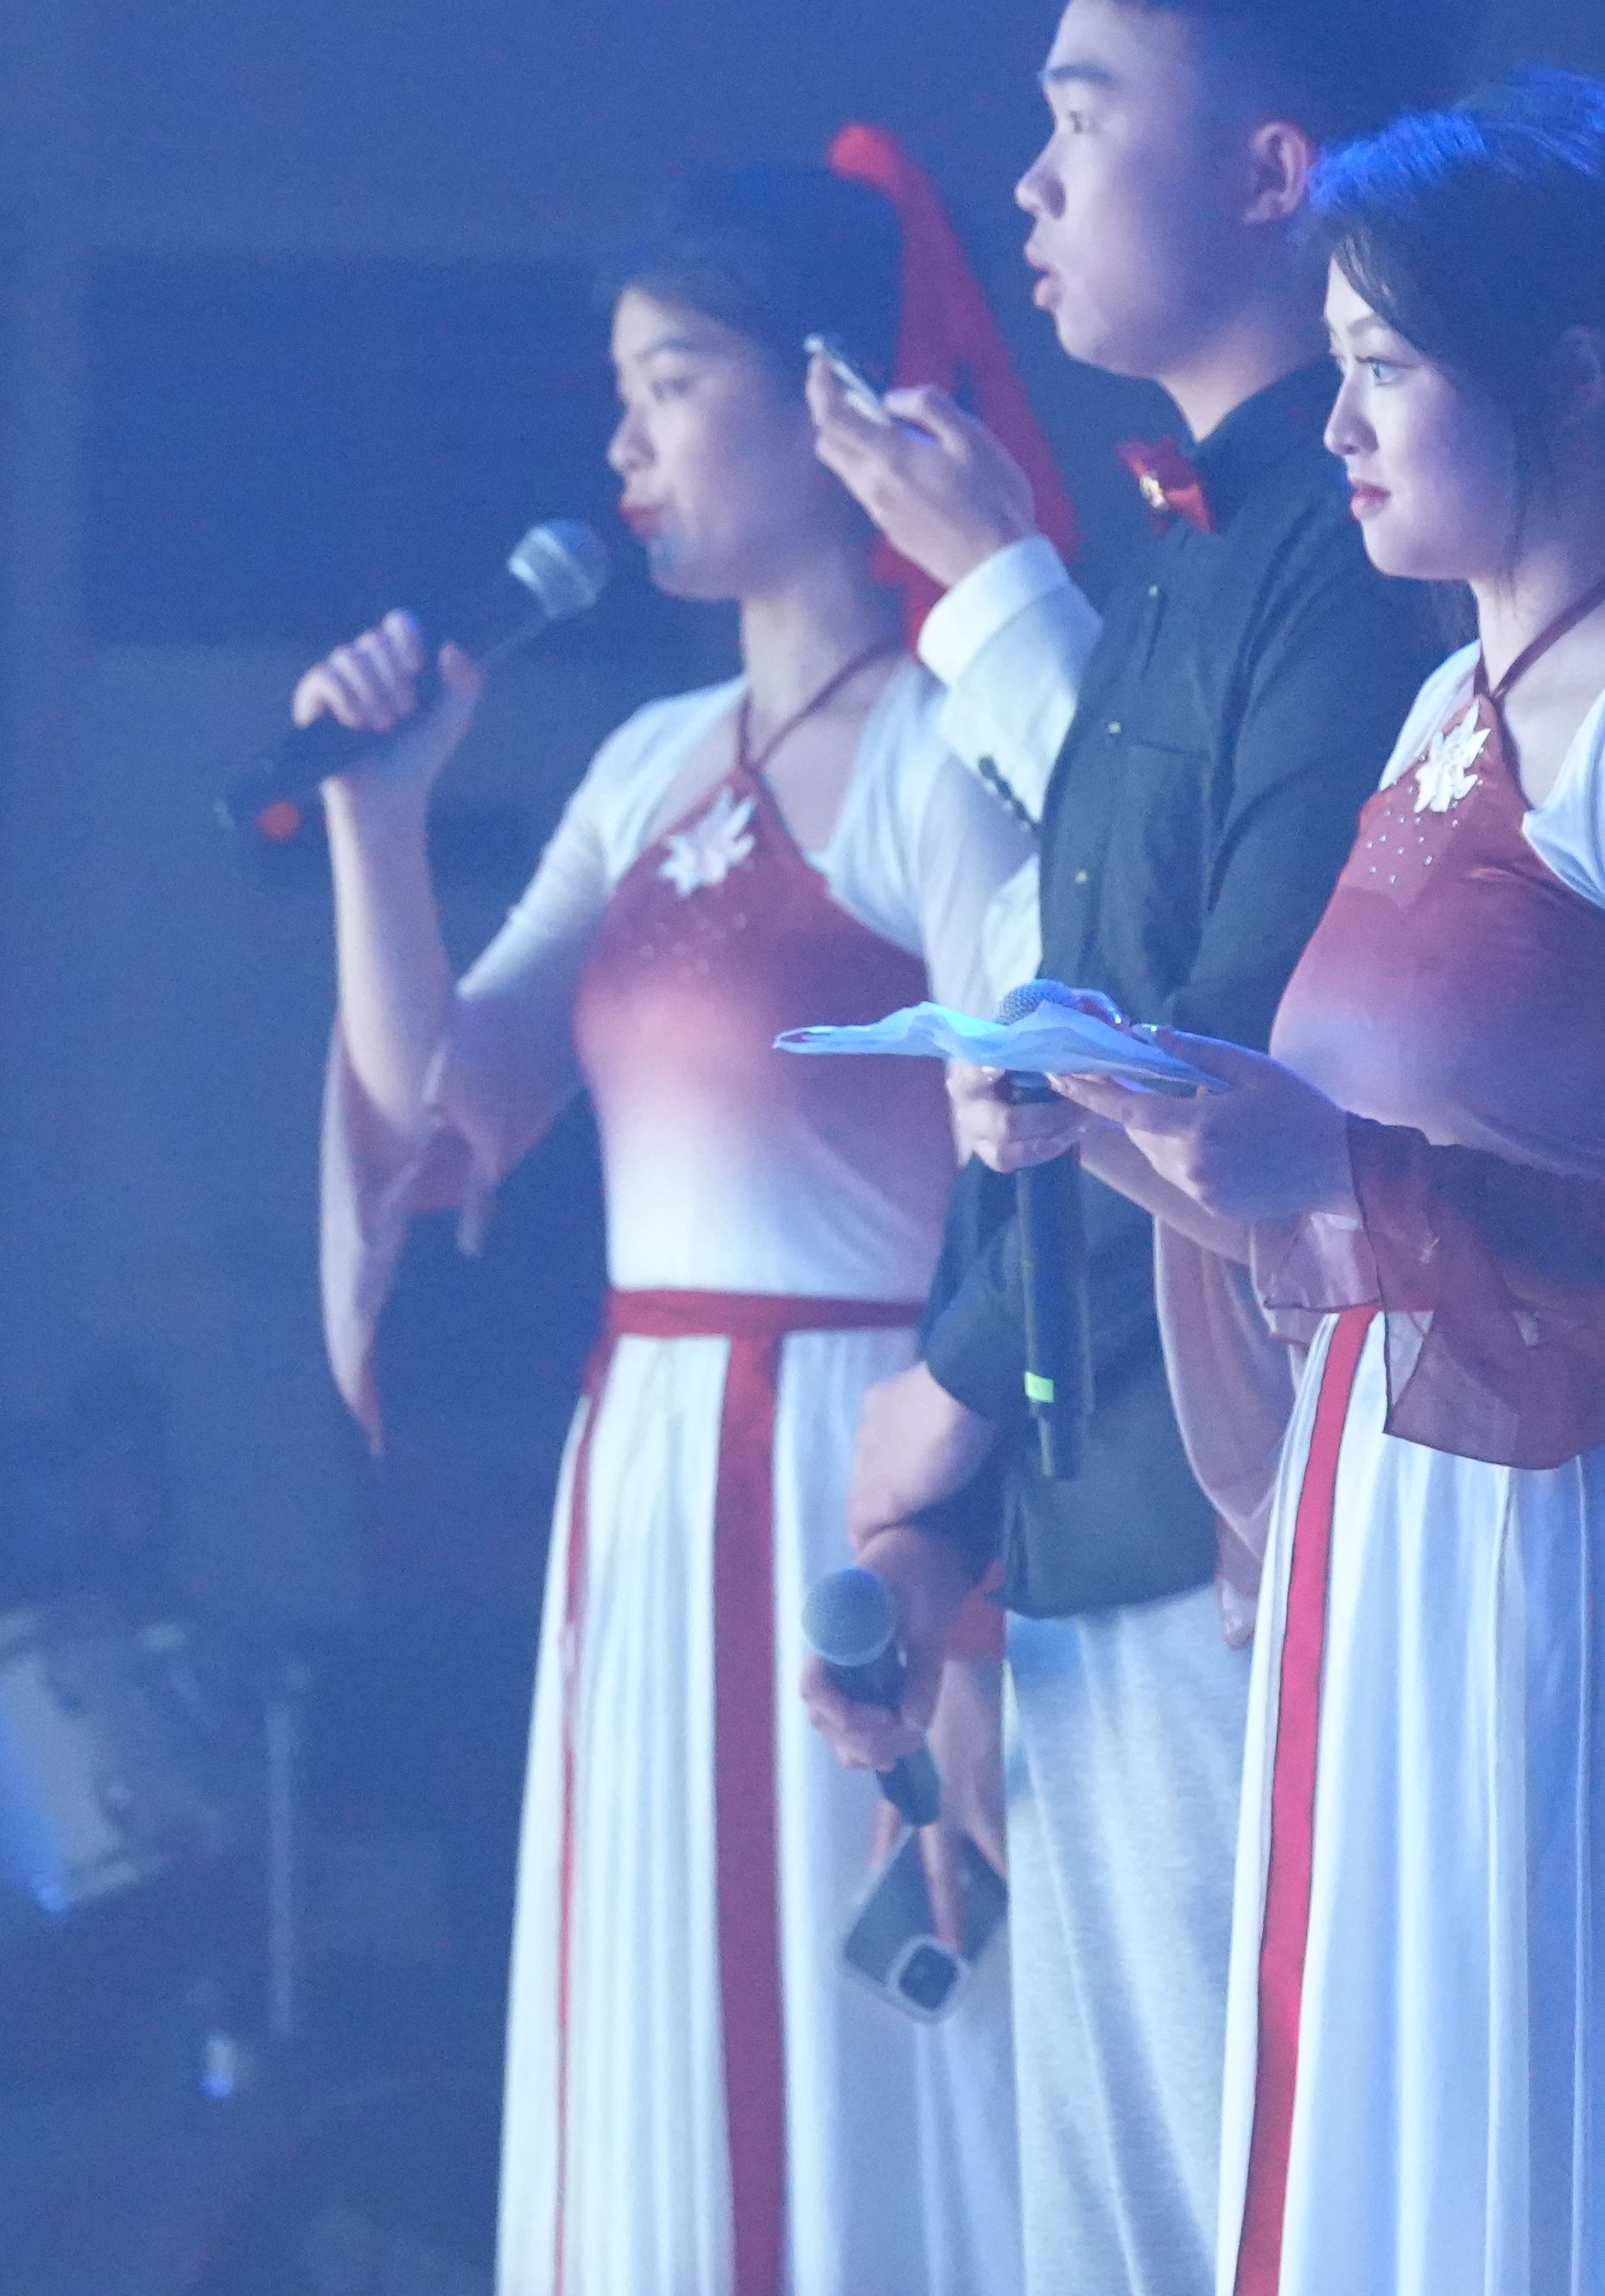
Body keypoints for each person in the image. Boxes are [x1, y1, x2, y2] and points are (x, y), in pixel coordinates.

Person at [1040, 70, 1605, 2294]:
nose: (1335, 424)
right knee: (1401, 2124)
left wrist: (1349, 1167)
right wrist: (1117, 1121)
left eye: (1384, 366)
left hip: (1575, 1534)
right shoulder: (1450, 713)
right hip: (1392, 1506)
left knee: (1542, 2120)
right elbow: (1341, 1208)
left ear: (1574, 375)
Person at [798, 0, 1469, 2296]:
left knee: (1235, 2212)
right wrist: (964, 1464)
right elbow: (1062, 1034)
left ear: (1277, 171)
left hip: (1237, 1511)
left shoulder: (1354, 561)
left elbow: (1223, 1070)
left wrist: (955, 1394)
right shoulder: (1186, 545)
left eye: (1086, 114)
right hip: (1101, 1505)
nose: (1034, 177)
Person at [295, 149, 1041, 2296]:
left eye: (674, 382)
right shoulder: (644, 758)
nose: (622, 446)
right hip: (643, 1470)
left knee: (881, 2054)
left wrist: (975, 1582)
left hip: (869, 1468)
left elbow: (1050, 1155)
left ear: (830, 399)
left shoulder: (950, 748)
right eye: (618, 395)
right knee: (668, 2027)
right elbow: (454, 1100)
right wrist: (379, 822)